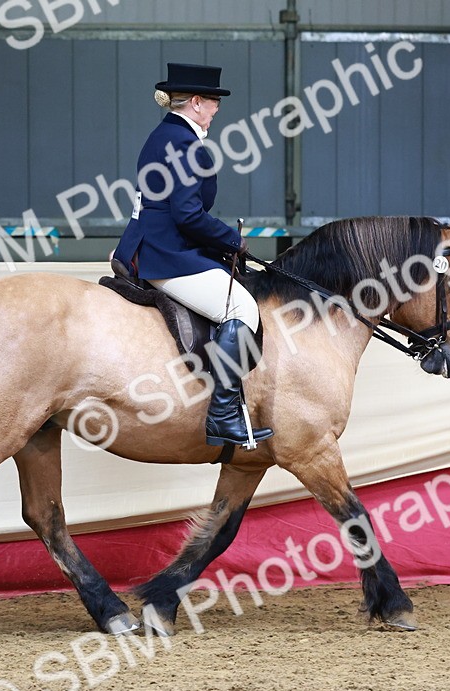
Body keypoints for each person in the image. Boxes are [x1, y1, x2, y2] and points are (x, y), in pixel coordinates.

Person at [113, 63, 273, 449]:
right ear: (197, 102)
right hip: (168, 254)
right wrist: (232, 241)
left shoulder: (162, 135)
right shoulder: (186, 143)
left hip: (151, 244)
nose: (218, 109)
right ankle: (222, 415)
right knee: (242, 310)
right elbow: (187, 215)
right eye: (215, 101)